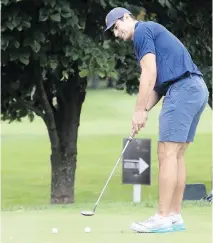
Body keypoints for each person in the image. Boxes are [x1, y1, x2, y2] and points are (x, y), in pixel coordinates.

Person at [104, 7, 209, 233]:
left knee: (166, 152)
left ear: (125, 17)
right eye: (112, 30)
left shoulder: (142, 32)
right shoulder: (151, 33)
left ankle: (161, 217)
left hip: (183, 89)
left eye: (116, 26)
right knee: (177, 153)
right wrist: (143, 112)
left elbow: (149, 74)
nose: (116, 33)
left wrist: (139, 110)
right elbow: (158, 87)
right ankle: (173, 216)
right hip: (195, 88)